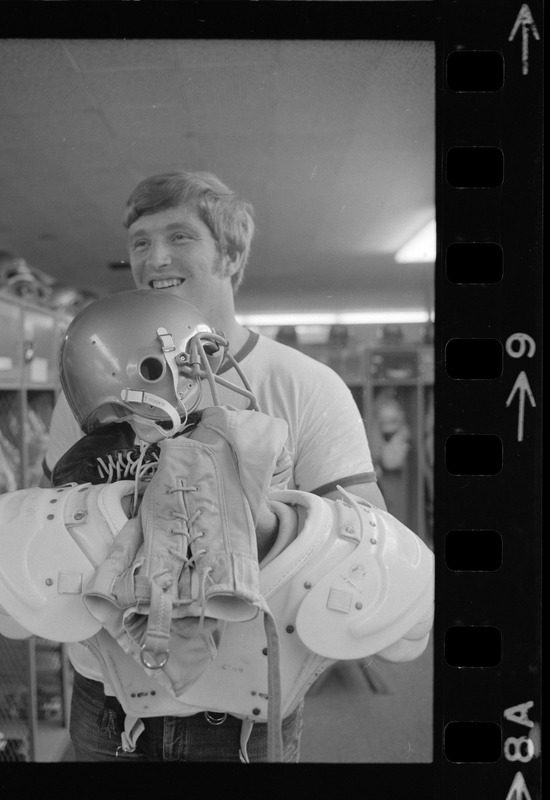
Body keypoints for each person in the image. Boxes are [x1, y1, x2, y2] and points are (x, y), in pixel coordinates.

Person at [40, 171, 390, 761]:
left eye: (180, 236)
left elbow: (368, 535)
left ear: (230, 253)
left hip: (243, 713)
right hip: (107, 697)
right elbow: (53, 522)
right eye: (141, 242)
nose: (155, 257)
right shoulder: (87, 386)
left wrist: (262, 523)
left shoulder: (306, 384)